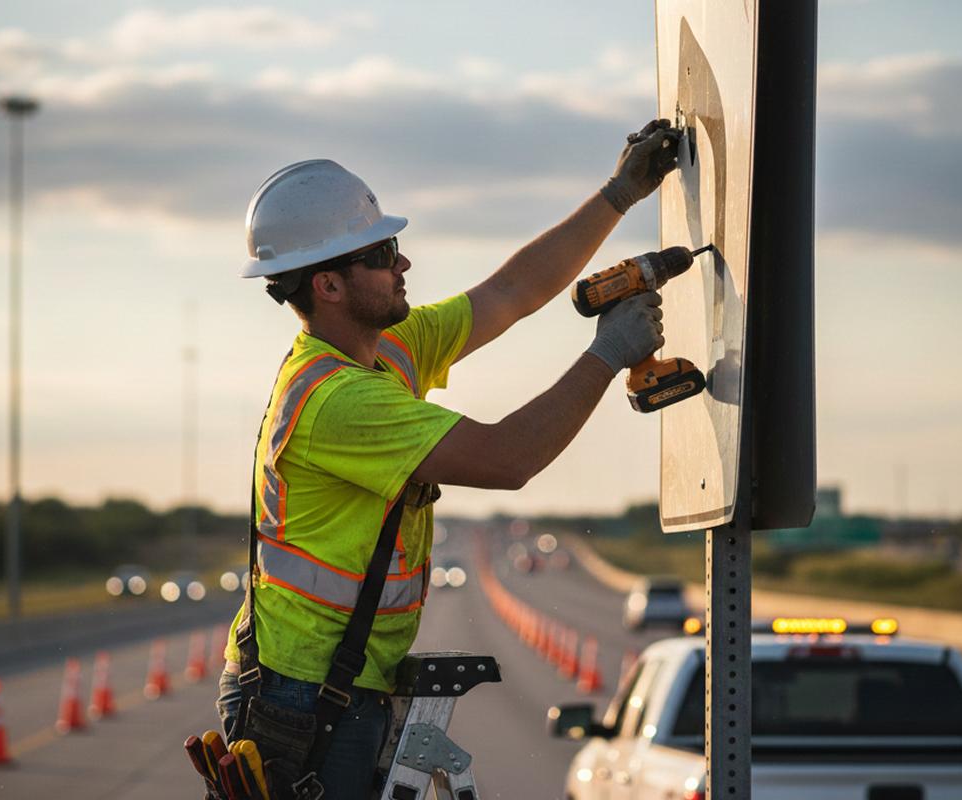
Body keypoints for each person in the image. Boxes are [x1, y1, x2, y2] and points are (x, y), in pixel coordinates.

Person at [216, 119, 680, 798]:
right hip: (303, 698)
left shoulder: (387, 351)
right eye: (382, 252)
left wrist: (618, 194)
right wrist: (606, 355)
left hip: (329, 687)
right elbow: (506, 458)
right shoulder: (336, 399)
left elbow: (510, 294)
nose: (403, 264)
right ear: (329, 286)